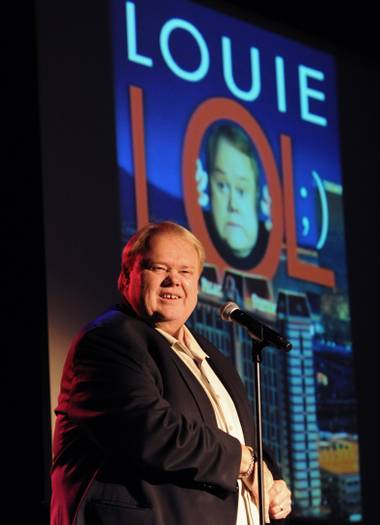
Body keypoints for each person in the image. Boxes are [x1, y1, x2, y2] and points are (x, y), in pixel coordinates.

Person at [50, 221, 291, 524]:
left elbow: (242, 439)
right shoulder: (106, 341)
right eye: (159, 268)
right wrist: (243, 462)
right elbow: (150, 430)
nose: (173, 281)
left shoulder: (212, 356)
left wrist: (272, 480)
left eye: (186, 272)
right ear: (126, 278)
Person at [198, 124, 270, 270]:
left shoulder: (275, 244)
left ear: (257, 193)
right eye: (222, 186)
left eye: (241, 190)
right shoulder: (189, 240)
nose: (233, 205)